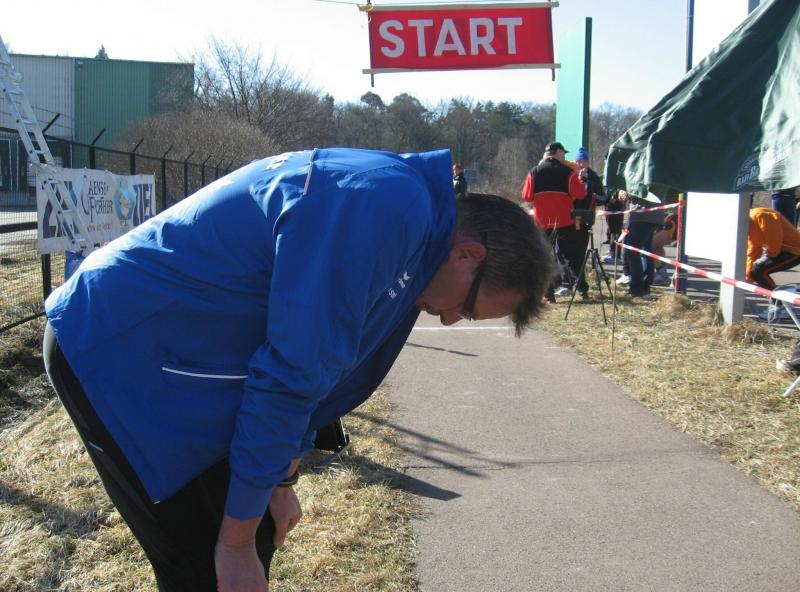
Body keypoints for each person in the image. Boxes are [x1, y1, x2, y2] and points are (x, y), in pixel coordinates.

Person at [42, 147, 556, 592]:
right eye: (466, 308)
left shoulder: (413, 224)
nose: (448, 320)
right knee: (209, 566)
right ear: (468, 255)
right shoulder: (383, 209)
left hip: (182, 350)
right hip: (120, 345)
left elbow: (321, 371)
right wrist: (236, 544)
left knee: (253, 530)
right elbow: (292, 374)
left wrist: (280, 483)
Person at [521, 141, 587, 301]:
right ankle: (582, 290)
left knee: (545, 257)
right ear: (558, 153)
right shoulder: (568, 172)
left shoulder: (534, 172)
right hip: (565, 221)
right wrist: (582, 180)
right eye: (563, 153)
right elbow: (580, 194)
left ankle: (548, 294)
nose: (564, 156)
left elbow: (526, 196)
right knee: (571, 256)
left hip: (543, 221)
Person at [619, 190, 665, 297]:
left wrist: (628, 193)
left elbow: (641, 188)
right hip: (650, 215)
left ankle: (637, 288)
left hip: (642, 214)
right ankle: (644, 287)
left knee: (632, 251)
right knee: (646, 251)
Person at [746, 206, 800, 290]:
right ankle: (774, 294)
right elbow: (753, 251)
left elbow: (775, 241)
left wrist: (767, 257)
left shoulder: (761, 215)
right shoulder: (748, 225)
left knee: (758, 271)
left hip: (795, 250)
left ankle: (776, 296)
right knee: (754, 272)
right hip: (780, 250)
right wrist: (748, 276)